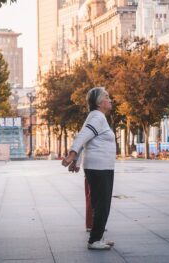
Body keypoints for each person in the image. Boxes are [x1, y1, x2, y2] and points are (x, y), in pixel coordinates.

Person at [62, 87, 116, 250]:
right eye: (107, 97)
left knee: (99, 203)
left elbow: (85, 139)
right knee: (102, 204)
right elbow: (82, 136)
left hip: (99, 166)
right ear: (100, 102)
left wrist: (76, 160)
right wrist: (72, 155)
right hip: (100, 167)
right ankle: (94, 240)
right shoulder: (97, 117)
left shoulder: (95, 117)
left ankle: (98, 236)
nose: (110, 99)